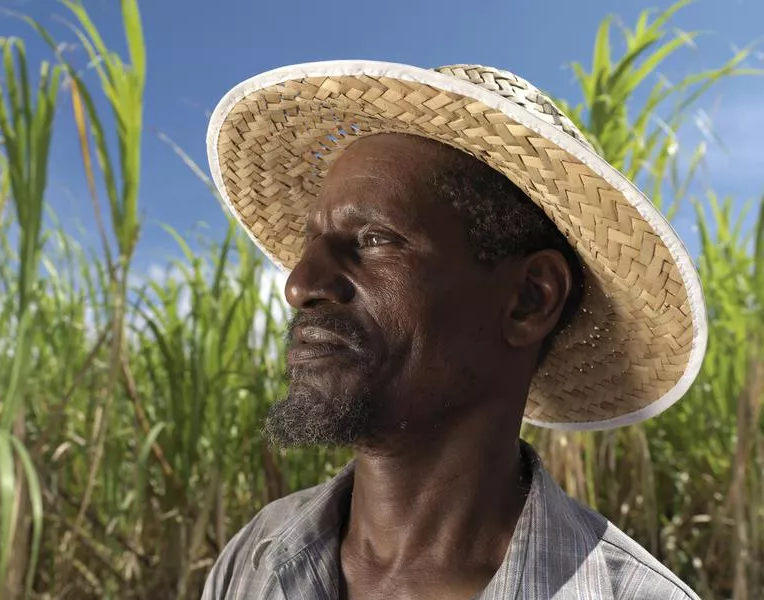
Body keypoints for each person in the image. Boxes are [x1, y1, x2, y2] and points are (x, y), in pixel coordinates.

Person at [201, 62, 707, 599]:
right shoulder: (255, 557)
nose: (300, 285)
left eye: (375, 239)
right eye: (311, 245)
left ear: (529, 299)